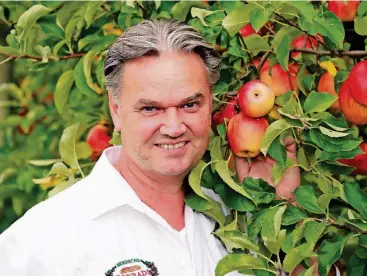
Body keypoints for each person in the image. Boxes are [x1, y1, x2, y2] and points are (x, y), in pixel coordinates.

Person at [0, 19, 301, 275]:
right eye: (150, 109)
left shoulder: (237, 217)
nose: (173, 127)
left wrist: (281, 208)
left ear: (211, 104)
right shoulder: (42, 241)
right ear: (116, 110)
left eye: (190, 104)